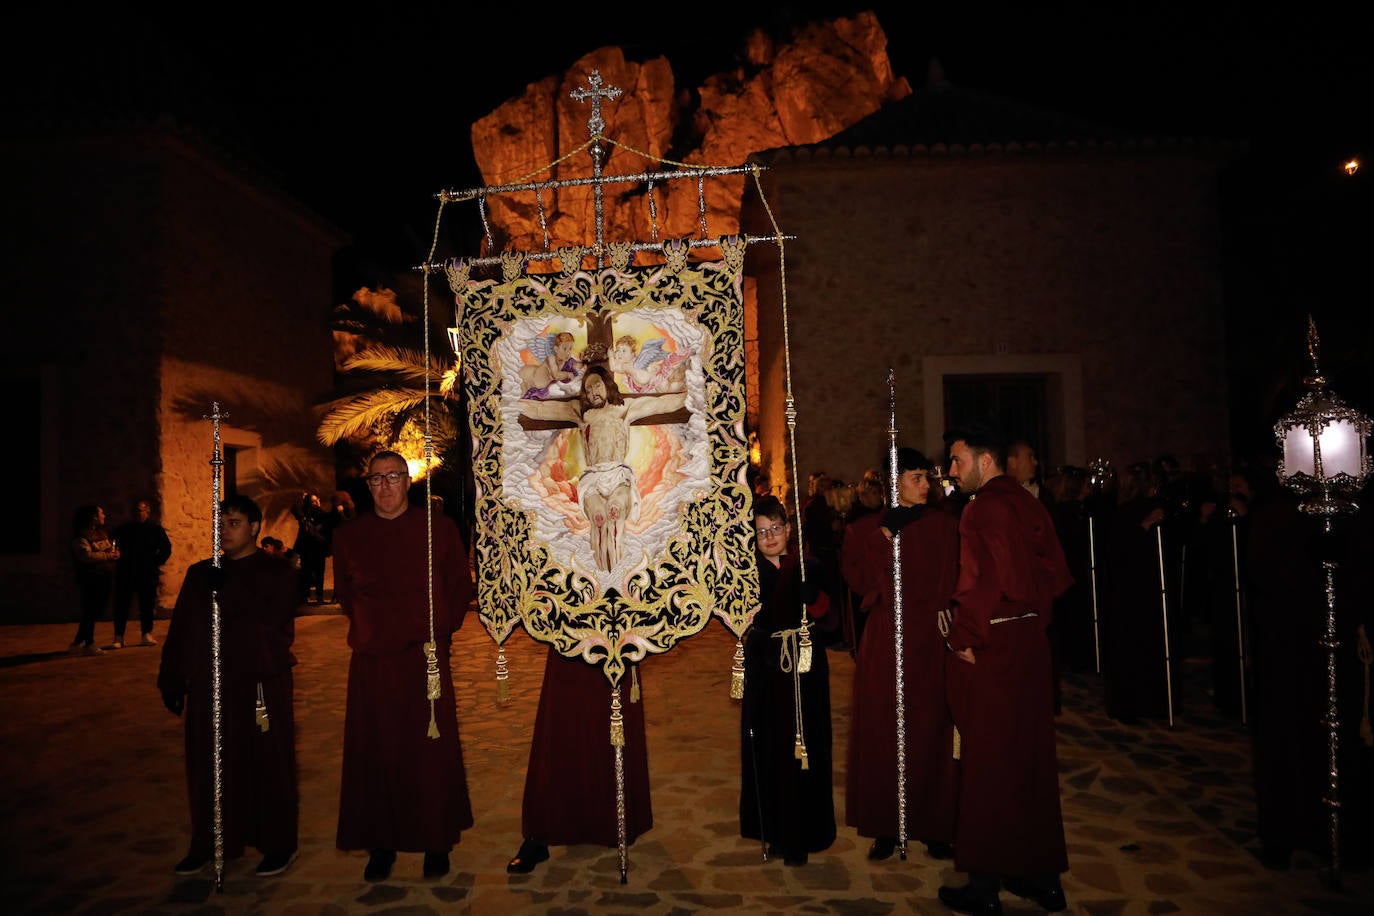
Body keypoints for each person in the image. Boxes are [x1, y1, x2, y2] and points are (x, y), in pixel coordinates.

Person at [938, 422, 1074, 915]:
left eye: (957, 460)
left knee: (988, 762)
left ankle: (984, 885)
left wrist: (965, 636)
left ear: (984, 460)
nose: (952, 471)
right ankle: (1043, 880)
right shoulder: (1025, 501)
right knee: (1029, 760)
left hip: (993, 644)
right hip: (1029, 644)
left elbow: (981, 579)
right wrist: (1033, 623)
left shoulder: (983, 509)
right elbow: (1054, 574)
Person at [332, 450, 474, 882]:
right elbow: (345, 594)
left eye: (393, 476)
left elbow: (458, 586)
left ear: (407, 481)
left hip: (424, 659)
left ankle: (435, 839)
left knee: (428, 752)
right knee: (374, 751)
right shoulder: (350, 536)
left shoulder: (439, 529)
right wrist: (376, 627)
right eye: (376, 479)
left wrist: (438, 632)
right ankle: (381, 843)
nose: (385, 486)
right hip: (372, 661)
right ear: (367, 486)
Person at [157, 494, 300, 877]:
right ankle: (212, 841)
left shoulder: (279, 572)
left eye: (233, 522)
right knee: (210, 764)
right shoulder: (200, 573)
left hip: (258, 684)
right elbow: (183, 630)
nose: (225, 529)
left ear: (254, 527)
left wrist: (228, 593)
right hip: (211, 684)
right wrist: (172, 677)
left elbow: (270, 626)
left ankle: (278, 843)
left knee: (267, 765)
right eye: (220, 522)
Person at [842, 447, 960, 862]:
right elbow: (859, 581)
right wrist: (885, 536)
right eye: (915, 478)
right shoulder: (865, 530)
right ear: (895, 484)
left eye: (926, 478)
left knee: (931, 728)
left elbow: (955, 581)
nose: (926, 485)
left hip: (929, 639)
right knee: (884, 730)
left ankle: (934, 824)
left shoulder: (946, 527)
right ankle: (886, 825)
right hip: (885, 640)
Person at [739, 495, 836, 866]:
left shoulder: (808, 565)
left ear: (789, 528)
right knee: (771, 748)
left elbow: (829, 618)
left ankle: (803, 833)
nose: (769, 537)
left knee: (805, 748)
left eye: (775, 529)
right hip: (767, 671)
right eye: (761, 531)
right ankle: (775, 830)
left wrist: (813, 600)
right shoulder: (748, 574)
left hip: (805, 669)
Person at [518, 365, 687, 571]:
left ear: (607, 385)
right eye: (588, 390)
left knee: (614, 512)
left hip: (618, 474)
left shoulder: (624, 409)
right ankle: (605, 573)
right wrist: (511, 401)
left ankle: (616, 568)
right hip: (593, 478)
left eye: (596, 386)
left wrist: (691, 393)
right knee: (599, 519)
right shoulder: (582, 413)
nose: (592, 392)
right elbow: (540, 410)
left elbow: (660, 404)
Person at [506, 651, 652, 874]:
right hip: (568, 634)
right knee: (559, 727)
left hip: (618, 640)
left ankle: (617, 823)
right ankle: (539, 834)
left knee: (613, 730)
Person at [112, 498, 172, 648]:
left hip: (147, 572)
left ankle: (146, 633)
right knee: (122, 605)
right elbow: (113, 545)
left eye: (139, 510)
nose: (136, 514)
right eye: (135, 511)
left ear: (147, 512)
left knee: (147, 604)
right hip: (126, 572)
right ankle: (119, 636)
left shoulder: (155, 529)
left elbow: (166, 548)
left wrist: (155, 562)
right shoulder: (123, 530)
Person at [69, 505, 118, 655]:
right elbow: (86, 556)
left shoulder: (101, 533)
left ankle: (78, 641)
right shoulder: (81, 536)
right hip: (91, 579)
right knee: (90, 611)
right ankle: (88, 643)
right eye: (101, 513)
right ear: (93, 517)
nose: (104, 516)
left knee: (96, 611)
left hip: (104, 577)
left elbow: (107, 548)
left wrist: (115, 552)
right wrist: (109, 556)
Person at [291, 492, 330, 604]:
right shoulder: (304, 513)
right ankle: (305, 597)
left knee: (319, 572)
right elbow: (294, 508)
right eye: (312, 501)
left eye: (316, 499)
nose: (316, 502)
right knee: (306, 572)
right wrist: (302, 500)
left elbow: (328, 523)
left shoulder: (321, 513)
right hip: (307, 548)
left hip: (319, 548)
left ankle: (319, 597)